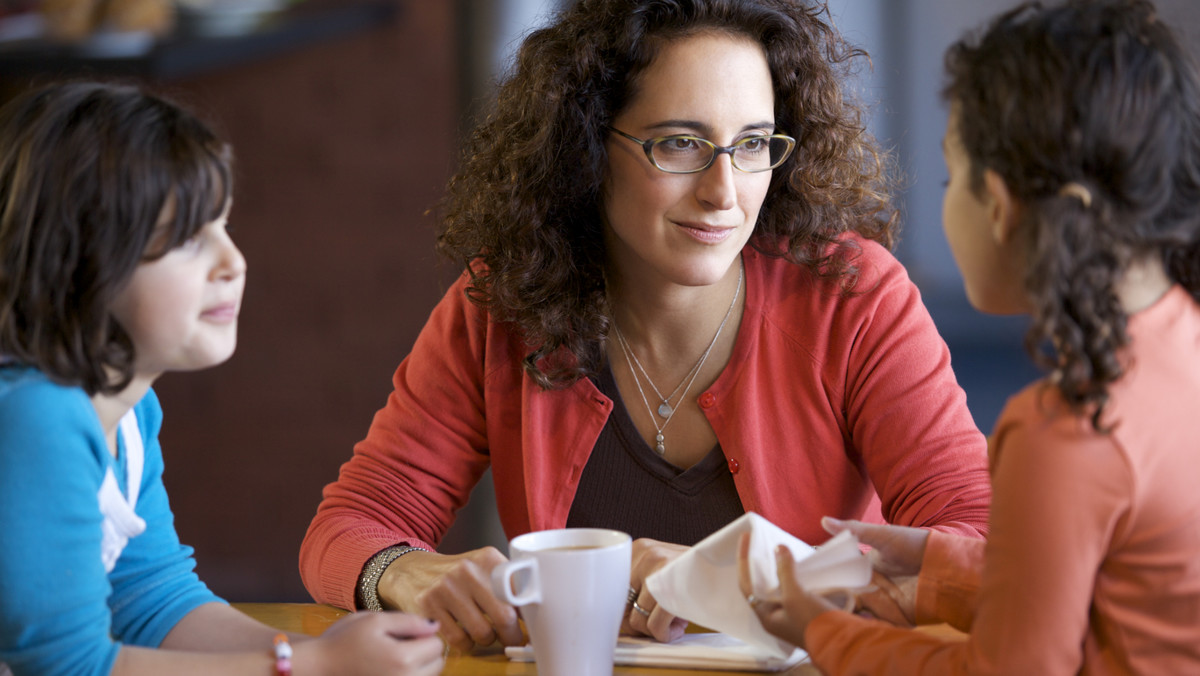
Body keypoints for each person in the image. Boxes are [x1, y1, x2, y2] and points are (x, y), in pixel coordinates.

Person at [300, 0, 993, 653]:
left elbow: (983, 544)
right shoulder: (505, 303)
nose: (725, 191)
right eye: (682, 144)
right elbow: (348, 527)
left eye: (752, 144)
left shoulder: (851, 296)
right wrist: (403, 571)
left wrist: (748, 575)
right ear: (588, 146)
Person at [737, 0, 1200, 672]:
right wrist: (934, 566)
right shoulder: (1182, 340)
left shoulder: (1063, 434)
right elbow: (1087, 584)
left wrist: (824, 633)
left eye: (955, 178)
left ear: (1004, 210)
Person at [0, 82, 444, 676]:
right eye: (188, 239)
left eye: (223, 225)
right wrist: (316, 670)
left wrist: (320, 654)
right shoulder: (36, 418)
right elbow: (69, 668)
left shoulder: (129, 410)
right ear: (78, 259)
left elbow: (154, 601)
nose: (232, 262)